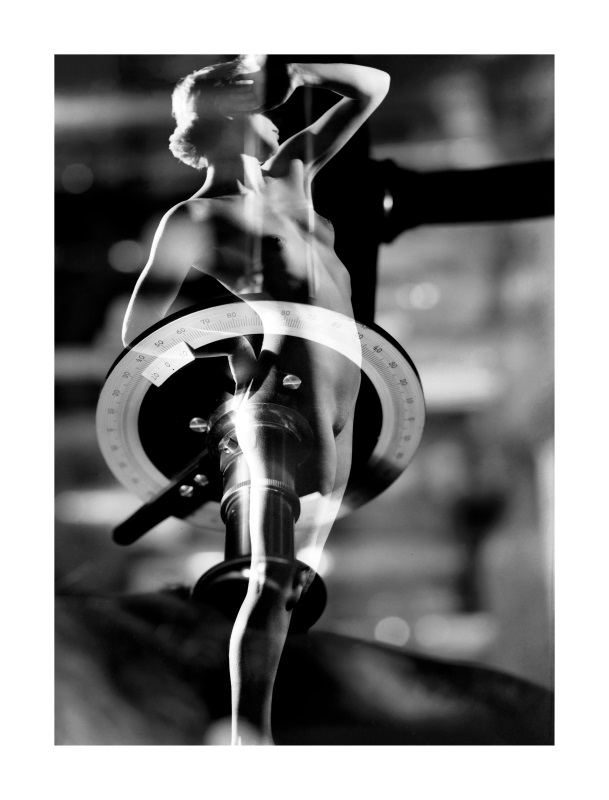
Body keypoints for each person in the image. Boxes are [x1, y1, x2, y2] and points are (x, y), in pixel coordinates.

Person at [122, 55, 390, 745]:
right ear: (221, 122)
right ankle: (248, 739)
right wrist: (232, 359)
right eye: (250, 104)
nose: (270, 114)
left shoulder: (291, 174)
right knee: (268, 578)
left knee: (288, 592)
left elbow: (371, 86)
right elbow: (139, 340)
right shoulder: (194, 217)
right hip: (273, 409)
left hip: (339, 412)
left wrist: (296, 70)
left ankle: (249, 719)